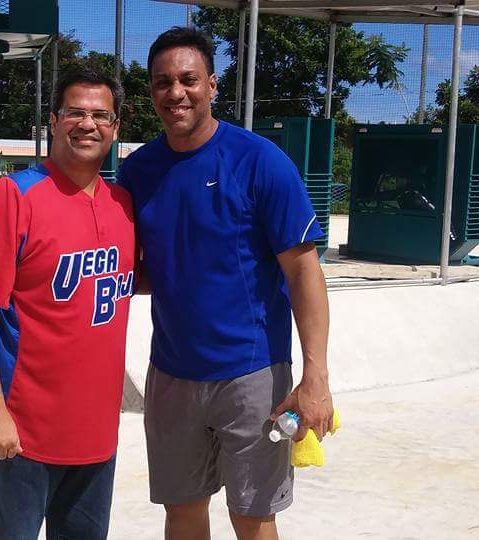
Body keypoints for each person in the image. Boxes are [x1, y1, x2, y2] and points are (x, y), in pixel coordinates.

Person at [117, 27, 334, 540]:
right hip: (171, 375)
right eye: (163, 82)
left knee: (253, 516)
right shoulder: (138, 171)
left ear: (212, 85)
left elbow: (304, 270)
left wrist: (316, 377)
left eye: (188, 79)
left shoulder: (260, 161)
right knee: (182, 512)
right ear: (151, 91)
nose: (176, 92)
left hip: (252, 376)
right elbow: (138, 268)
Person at [0, 68, 136, 540]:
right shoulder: (14, 196)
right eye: (74, 112)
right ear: (52, 121)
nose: (87, 124)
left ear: (115, 127)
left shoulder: (123, 204)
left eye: (100, 115)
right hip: (21, 435)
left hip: (96, 436)